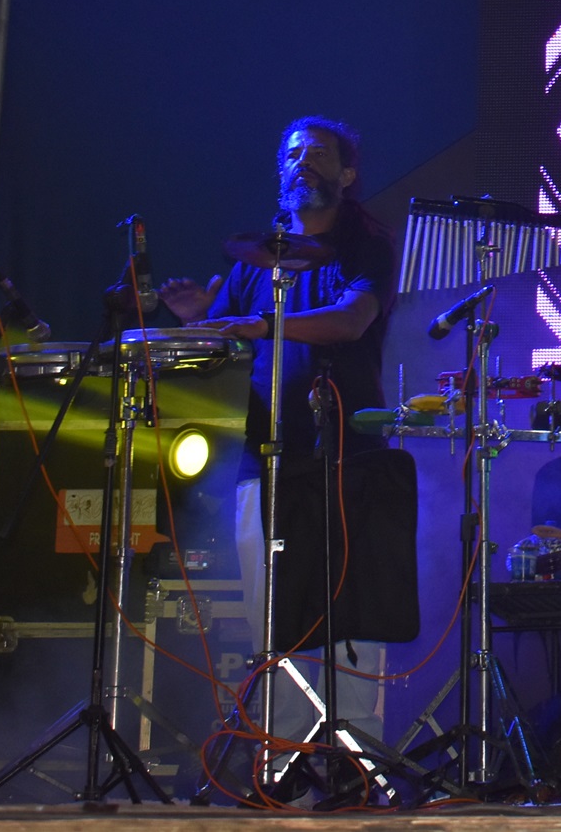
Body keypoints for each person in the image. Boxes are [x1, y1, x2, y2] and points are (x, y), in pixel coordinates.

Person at [160, 116, 398, 760]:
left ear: (347, 174)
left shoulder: (365, 245)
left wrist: (264, 325)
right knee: (273, 613)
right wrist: (199, 319)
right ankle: (286, 765)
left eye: (318, 153)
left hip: (344, 452)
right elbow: (225, 342)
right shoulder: (256, 257)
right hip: (259, 457)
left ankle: (355, 762)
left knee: (350, 611)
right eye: (293, 154)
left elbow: (350, 321)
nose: (302, 162)